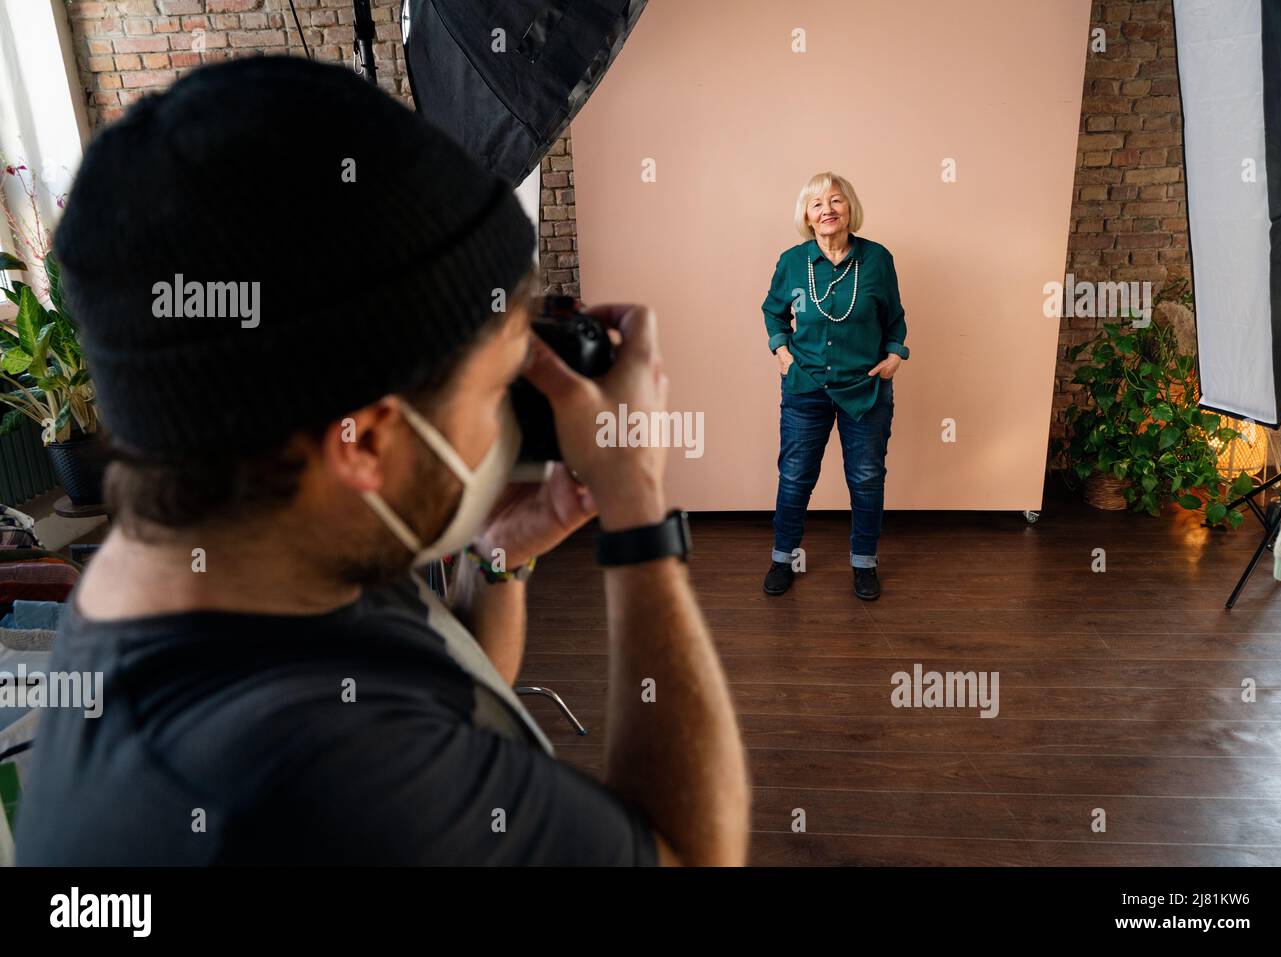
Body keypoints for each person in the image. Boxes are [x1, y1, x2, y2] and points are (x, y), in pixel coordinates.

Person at [15, 56, 749, 866]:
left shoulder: (225, 559)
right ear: (363, 441)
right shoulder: (317, 780)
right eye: (503, 381)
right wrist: (637, 508)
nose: (515, 415)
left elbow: (454, 682)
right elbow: (691, 852)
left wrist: (499, 556)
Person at [761, 172, 909, 601]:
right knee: (794, 476)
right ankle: (782, 559)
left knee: (866, 479)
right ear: (807, 215)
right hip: (805, 386)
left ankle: (864, 564)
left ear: (850, 210)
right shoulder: (792, 261)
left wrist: (896, 354)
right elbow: (773, 313)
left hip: (866, 391)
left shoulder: (877, 259)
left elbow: (895, 317)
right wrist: (782, 352)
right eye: (817, 204)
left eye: (836, 201)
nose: (827, 210)